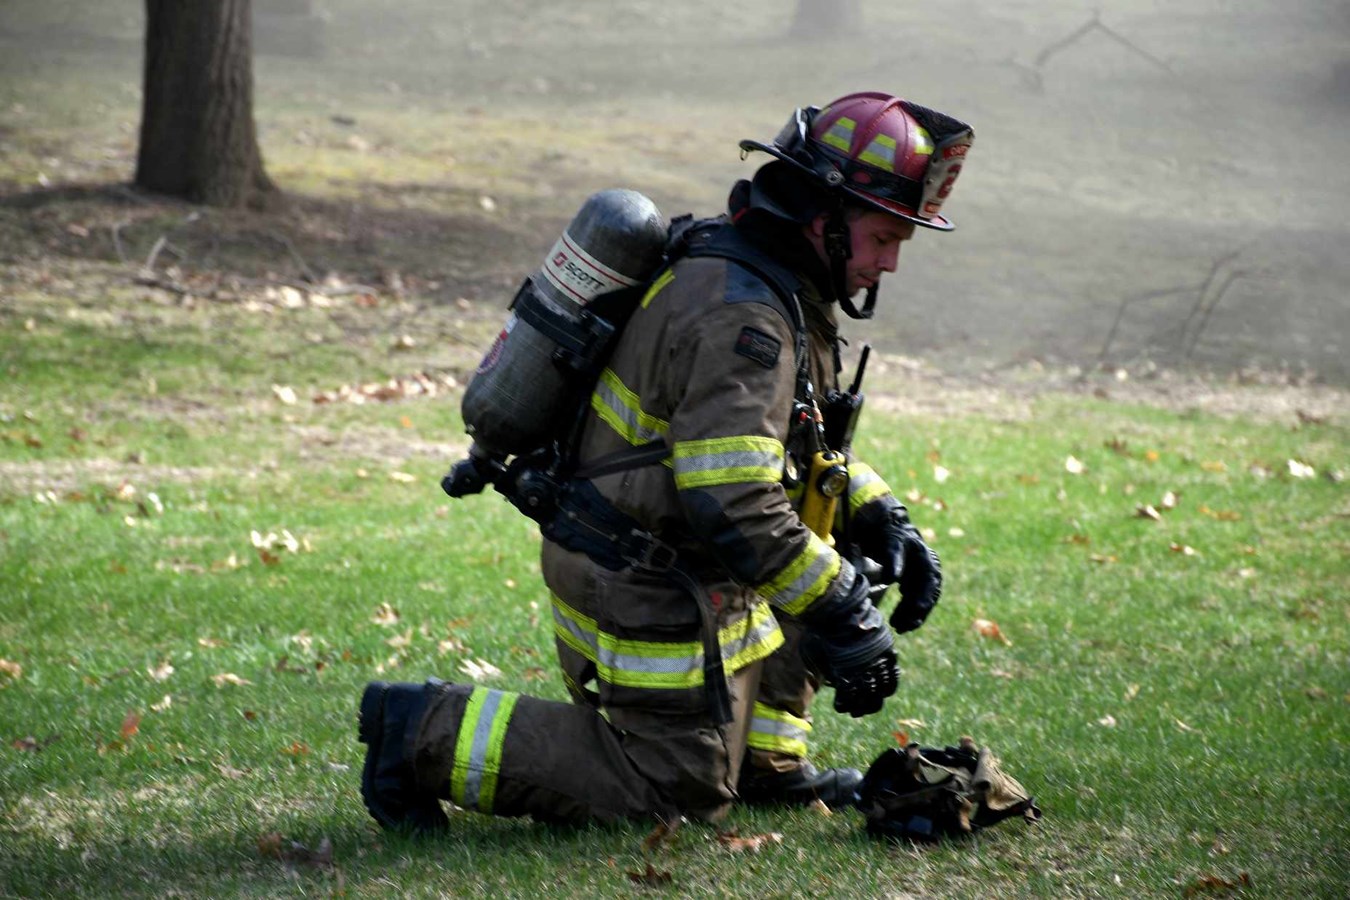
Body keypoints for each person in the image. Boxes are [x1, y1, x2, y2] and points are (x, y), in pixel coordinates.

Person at [358, 92, 970, 831]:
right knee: (669, 793)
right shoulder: (744, 317)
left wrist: (875, 511)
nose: (891, 262)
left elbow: (792, 452)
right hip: (639, 577)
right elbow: (736, 499)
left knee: (829, 554)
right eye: (882, 236)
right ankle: (417, 729)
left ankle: (764, 768)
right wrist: (840, 603)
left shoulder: (775, 282)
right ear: (825, 219)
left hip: (671, 553)